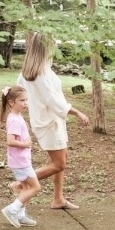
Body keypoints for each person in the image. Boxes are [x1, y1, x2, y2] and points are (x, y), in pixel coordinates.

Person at [16, 32, 89, 210]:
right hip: (48, 123)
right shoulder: (37, 74)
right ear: (44, 48)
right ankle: (20, 183)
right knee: (58, 163)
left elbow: (19, 90)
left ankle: (58, 199)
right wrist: (77, 112)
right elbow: (53, 101)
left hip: (52, 121)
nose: (54, 48)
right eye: (52, 45)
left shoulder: (36, 70)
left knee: (62, 159)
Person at [0, 85, 39, 228]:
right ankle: (12, 210)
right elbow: (10, 141)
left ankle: (21, 216)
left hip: (20, 160)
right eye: (22, 100)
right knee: (35, 187)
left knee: (26, 187)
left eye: (26, 100)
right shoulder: (14, 120)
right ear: (11, 102)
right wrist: (26, 144)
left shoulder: (16, 116)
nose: (25, 103)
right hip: (20, 162)